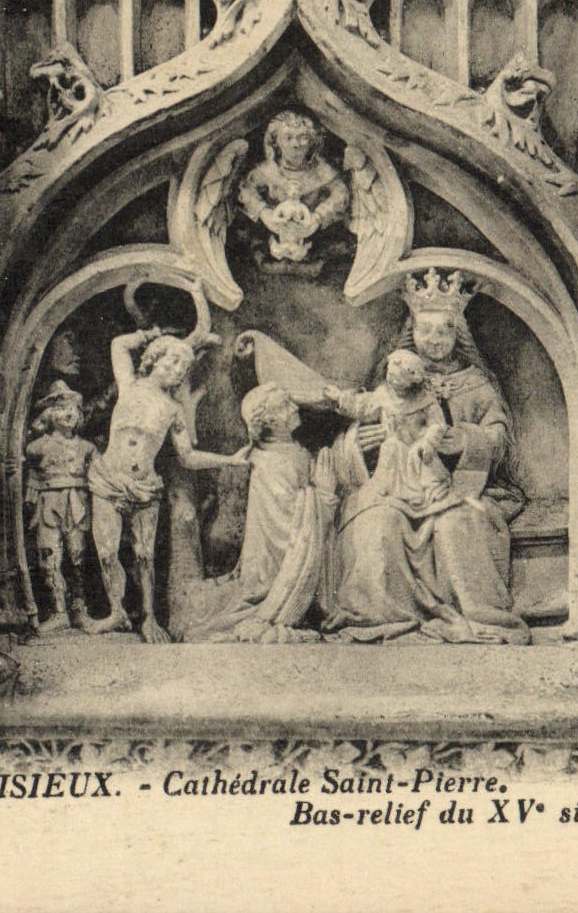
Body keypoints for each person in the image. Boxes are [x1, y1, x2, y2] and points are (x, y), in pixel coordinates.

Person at [323, 273, 530, 645]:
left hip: (460, 489)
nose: (434, 342)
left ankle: (475, 616)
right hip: (393, 486)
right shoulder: (392, 382)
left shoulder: (476, 384)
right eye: (426, 333)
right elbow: (361, 422)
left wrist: (464, 440)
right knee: (376, 524)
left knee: (457, 524)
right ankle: (382, 618)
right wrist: (359, 443)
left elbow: (499, 439)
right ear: (411, 334)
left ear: (458, 336)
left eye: (443, 333)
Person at [86, 330, 249, 642]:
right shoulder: (129, 384)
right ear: (153, 359)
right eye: (172, 361)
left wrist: (229, 460)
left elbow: (187, 456)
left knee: (144, 555)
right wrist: (151, 334)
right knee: (107, 552)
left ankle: (149, 619)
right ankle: (116, 612)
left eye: (182, 368)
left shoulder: (173, 409)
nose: (176, 371)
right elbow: (117, 343)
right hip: (108, 478)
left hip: (145, 486)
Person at [183, 382, 331, 642]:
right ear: (270, 420)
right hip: (276, 569)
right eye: (286, 405)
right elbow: (288, 528)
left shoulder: (291, 451)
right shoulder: (270, 463)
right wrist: (324, 496)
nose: (295, 407)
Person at [325, 350, 454, 516]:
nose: (392, 379)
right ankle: (387, 490)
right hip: (394, 449)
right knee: (390, 448)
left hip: (418, 449)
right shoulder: (383, 394)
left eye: (399, 376)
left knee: (423, 470)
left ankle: (424, 493)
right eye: (391, 374)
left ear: (414, 378)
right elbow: (363, 406)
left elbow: (437, 424)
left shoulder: (425, 399)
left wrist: (428, 441)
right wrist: (340, 398)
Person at [24, 380, 96, 634]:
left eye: (73, 409)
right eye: (61, 408)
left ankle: (79, 610)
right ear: (49, 414)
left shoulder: (88, 448)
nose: (68, 414)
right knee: (49, 557)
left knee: (78, 557)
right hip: (48, 505)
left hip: (78, 505)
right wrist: (29, 499)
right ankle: (58, 612)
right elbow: (32, 476)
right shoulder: (37, 447)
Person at [236, 110, 350, 264]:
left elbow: (340, 193)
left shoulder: (323, 172)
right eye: (288, 138)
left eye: (303, 138)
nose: (295, 145)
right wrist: (263, 212)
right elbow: (246, 189)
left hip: (313, 235)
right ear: (276, 142)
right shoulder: (266, 171)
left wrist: (318, 217)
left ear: (312, 142)